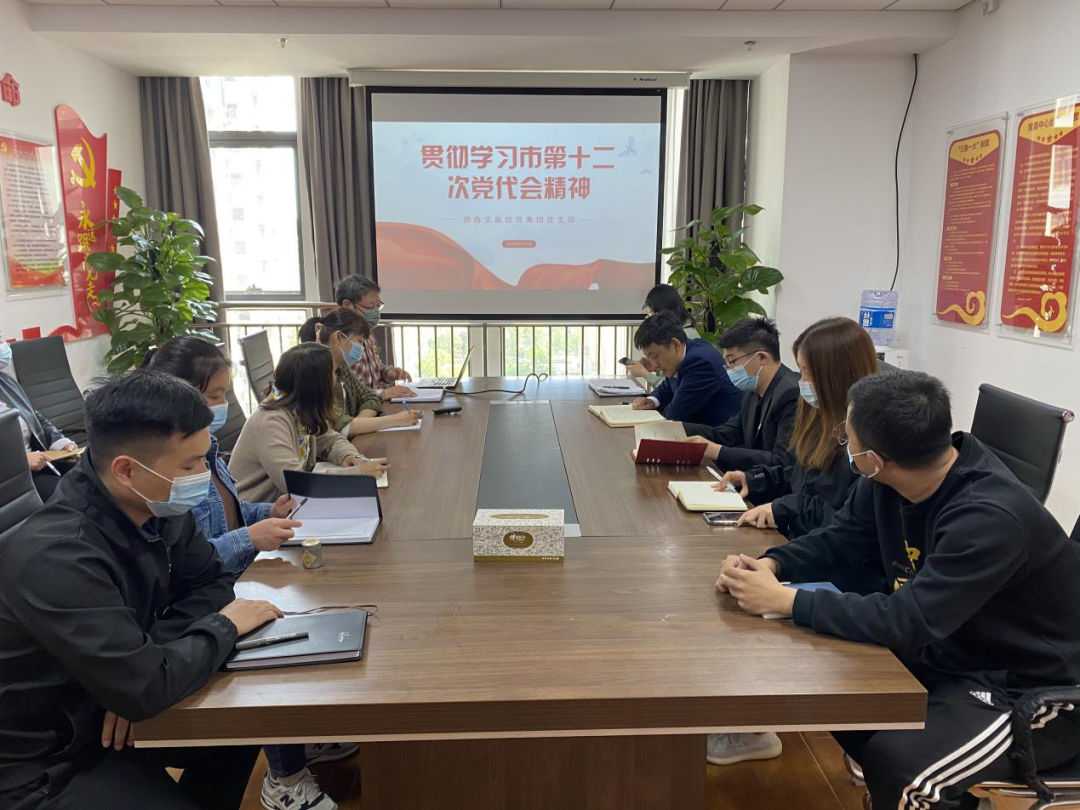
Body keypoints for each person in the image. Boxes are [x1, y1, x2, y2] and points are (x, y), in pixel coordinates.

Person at [718, 370, 1080, 809]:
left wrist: (786, 600)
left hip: (1035, 693)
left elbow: (909, 619)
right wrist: (773, 563)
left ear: (872, 458)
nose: (842, 440)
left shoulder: (989, 518)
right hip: (954, 654)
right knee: (835, 699)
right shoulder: (888, 481)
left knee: (904, 769)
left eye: (846, 434)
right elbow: (842, 537)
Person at [0, 370, 281, 809]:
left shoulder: (157, 505)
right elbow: (147, 683)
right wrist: (222, 628)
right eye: (190, 465)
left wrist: (141, 669)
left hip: (108, 703)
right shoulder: (58, 555)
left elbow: (212, 582)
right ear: (127, 470)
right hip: (45, 761)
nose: (203, 475)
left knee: (246, 725)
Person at [146, 336, 351, 810]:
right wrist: (250, 539)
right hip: (203, 605)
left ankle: (303, 736)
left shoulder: (206, 450)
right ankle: (285, 777)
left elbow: (230, 514)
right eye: (216, 395)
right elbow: (186, 565)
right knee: (281, 637)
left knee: (316, 608)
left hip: (234, 577)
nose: (225, 404)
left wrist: (264, 513)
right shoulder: (169, 471)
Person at [717, 317, 878, 539]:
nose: (801, 381)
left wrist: (787, 507)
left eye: (806, 371)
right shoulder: (821, 417)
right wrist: (753, 479)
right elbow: (801, 475)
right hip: (797, 540)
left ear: (834, 375)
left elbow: (847, 523)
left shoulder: (865, 440)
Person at [229, 343, 389, 503]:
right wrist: (357, 474)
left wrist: (350, 456)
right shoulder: (270, 423)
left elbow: (330, 439)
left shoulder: (300, 408)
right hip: (259, 512)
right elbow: (297, 485)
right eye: (332, 372)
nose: (335, 378)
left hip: (288, 507)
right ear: (317, 385)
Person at [683, 317, 799, 471]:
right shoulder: (752, 392)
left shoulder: (791, 394)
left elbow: (782, 461)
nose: (729, 369)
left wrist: (718, 451)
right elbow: (726, 434)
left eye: (732, 361)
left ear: (762, 358)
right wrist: (677, 428)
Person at [298, 308, 420, 440]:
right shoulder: (315, 373)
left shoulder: (342, 368)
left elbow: (370, 398)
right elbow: (339, 426)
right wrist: (395, 420)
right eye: (359, 341)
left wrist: (358, 424)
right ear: (338, 337)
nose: (361, 348)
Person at [0, 336, 80, 501]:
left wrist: (61, 443)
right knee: (70, 497)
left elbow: (35, 417)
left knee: (92, 476)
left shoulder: (6, 382)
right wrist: (21, 461)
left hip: (41, 461)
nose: (4, 346)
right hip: (11, 477)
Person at [630, 313, 742, 426]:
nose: (654, 365)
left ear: (675, 345)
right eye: (649, 357)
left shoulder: (700, 363)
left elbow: (675, 414)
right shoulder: (682, 354)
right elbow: (666, 388)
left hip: (722, 432)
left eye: (654, 356)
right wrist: (651, 400)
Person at [334, 274, 414, 400]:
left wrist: (389, 373)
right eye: (370, 307)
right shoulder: (339, 339)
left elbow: (374, 369)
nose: (375, 312)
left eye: (378, 306)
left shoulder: (367, 333)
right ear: (347, 305)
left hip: (372, 405)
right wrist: (383, 393)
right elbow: (344, 394)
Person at [625, 284, 701, 387]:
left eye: (651, 315)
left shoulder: (685, 338)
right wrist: (656, 363)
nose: (650, 321)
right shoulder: (683, 329)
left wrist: (644, 373)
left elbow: (675, 387)